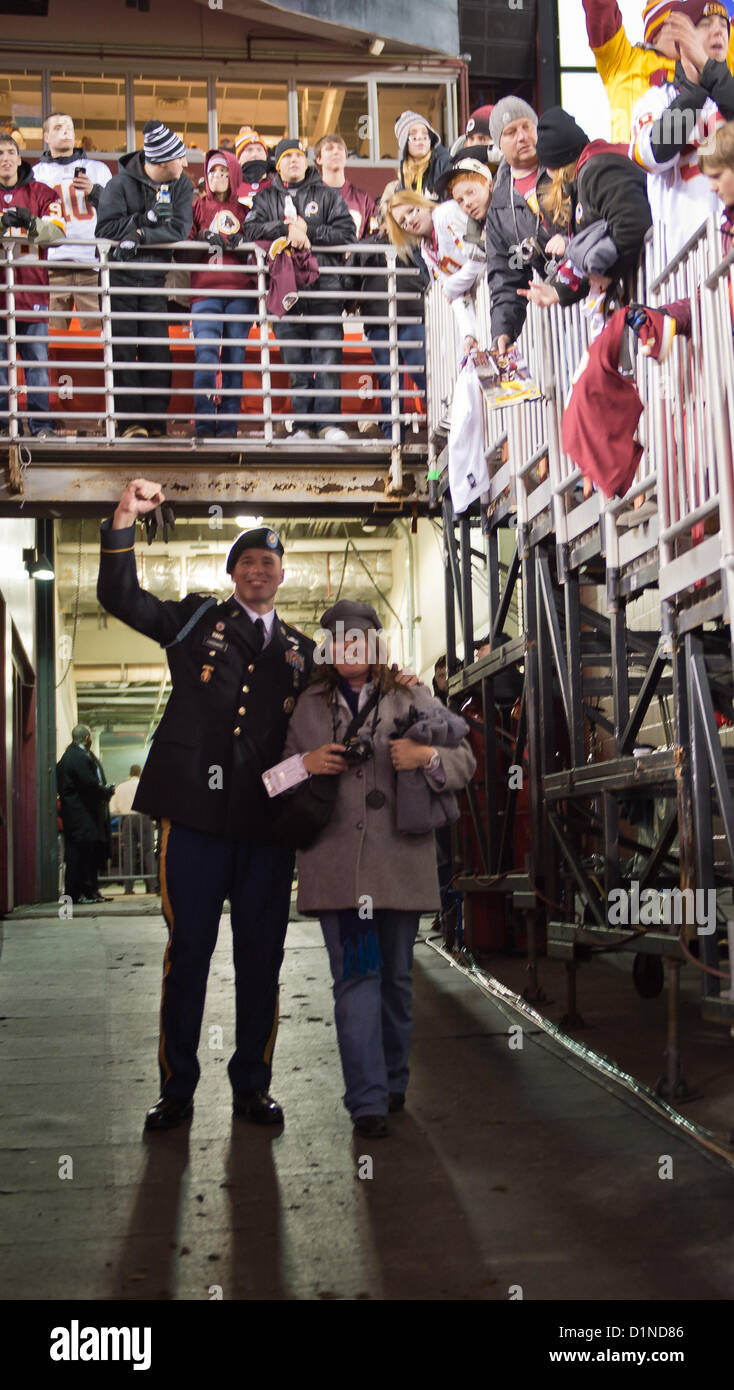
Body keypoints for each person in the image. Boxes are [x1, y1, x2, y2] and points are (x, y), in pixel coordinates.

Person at [96, 478, 316, 1132]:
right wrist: (123, 519)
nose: (258, 571)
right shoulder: (195, 621)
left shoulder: (303, 653)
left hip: (265, 830)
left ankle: (252, 1085)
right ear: (232, 572)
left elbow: (334, 717)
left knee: (261, 956)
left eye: (268, 562)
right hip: (193, 820)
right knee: (188, 952)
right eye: (247, 562)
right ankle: (178, 1090)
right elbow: (121, 596)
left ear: (281, 574)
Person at [272, 600, 475, 1136]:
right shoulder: (307, 707)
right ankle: (366, 1101)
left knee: (398, 981)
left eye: (358, 640)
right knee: (356, 980)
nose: (348, 650)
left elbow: (465, 762)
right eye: (337, 642)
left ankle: (393, 1081)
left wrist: (426, 758)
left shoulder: (412, 697)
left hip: (400, 867)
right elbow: (271, 782)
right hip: (339, 872)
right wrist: (306, 764)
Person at [243, 137, 355, 442]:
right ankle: (304, 426)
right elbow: (249, 230)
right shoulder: (265, 199)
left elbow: (347, 233)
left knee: (329, 360)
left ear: (307, 162)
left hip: (325, 289)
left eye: (298, 156)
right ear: (278, 165)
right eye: (287, 157)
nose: (294, 161)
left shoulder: (328, 196)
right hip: (285, 292)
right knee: (297, 364)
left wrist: (309, 232)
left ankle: (330, 424)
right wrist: (285, 230)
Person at [95, 119, 193, 439]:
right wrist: (142, 221)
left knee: (156, 353)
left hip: (153, 280)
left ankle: (154, 421)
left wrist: (138, 233)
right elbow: (106, 230)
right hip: (118, 282)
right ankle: (129, 424)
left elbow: (179, 230)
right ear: (163, 161)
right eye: (180, 157)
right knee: (122, 352)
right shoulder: (117, 186)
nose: (186, 162)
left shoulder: (182, 184)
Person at [518, 106, 652, 315]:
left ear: (554, 167)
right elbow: (593, 244)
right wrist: (558, 289)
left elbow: (631, 225)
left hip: (653, 280)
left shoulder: (598, 170)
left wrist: (607, 273)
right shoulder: (590, 169)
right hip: (645, 284)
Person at [630, 1, 734, 267]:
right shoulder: (655, 100)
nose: (718, 32)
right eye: (705, 24)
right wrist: (695, 92)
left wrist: (711, 74)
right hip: (683, 271)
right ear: (680, 39)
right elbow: (654, 153)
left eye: (723, 25)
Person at [384, 156, 492, 359]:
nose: (410, 220)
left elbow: (480, 256)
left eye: (412, 211)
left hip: (494, 290)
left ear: (423, 203)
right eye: (403, 222)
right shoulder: (426, 250)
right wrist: (469, 333)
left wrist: (453, 284)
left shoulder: (445, 213)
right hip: (481, 309)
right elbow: (456, 297)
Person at [582, 0, 734, 143]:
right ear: (655, 37)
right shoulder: (624, 61)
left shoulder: (717, 60)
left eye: (690, 27)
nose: (685, 34)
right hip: (633, 165)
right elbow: (600, 10)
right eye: (675, 26)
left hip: (709, 165)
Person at [0, 133, 66, 438]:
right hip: (2, 294)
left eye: (10, 151)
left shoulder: (41, 192)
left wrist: (30, 222)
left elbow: (56, 233)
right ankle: (3, 425)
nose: (6, 158)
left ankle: (41, 425)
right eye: (0, 153)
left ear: (18, 156)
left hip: (32, 291)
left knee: (37, 363)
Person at [189, 148, 257, 438]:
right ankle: (204, 424)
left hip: (239, 294)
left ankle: (228, 426)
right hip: (205, 293)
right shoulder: (196, 207)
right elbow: (183, 244)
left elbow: (257, 251)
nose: (217, 177)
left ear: (234, 176)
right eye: (213, 172)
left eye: (224, 172)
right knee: (205, 356)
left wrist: (244, 243)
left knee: (234, 360)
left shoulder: (245, 212)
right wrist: (203, 238)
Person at [484, 97, 561, 354]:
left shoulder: (562, 165)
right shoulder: (499, 205)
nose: (522, 137)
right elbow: (507, 276)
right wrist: (503, 331)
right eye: (510, 132)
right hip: (559, 309)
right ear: (499, 143)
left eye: (527, 127)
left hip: (598, 282)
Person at [32, 111, 112, 333]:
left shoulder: (98, 169)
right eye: (57, 127)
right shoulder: (36, 174)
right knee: (52, 335)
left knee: (96, 334)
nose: (65, 131)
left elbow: (115, 211)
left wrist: (94, 191)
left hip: (90, 263)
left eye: (68, 126)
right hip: (53, 264)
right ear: (46, 136)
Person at [56, 725, 114, 904]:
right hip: (81, 815)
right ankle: (77, 894)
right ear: (87, 737)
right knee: (78, 856)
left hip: (76, 815)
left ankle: (87, 892)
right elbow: (89, 784)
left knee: (82, 854)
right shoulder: (78, 757)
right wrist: (105, 791)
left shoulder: (69, 757)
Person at [314, 133, 377, 240]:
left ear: (346, 157)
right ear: (318, 159)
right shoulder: (309, 197)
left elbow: (373, 237)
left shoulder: (363, 199)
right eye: (329, 148)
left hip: (353, 255)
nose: (336, 152)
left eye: (340, 148)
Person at [109, 764, 157, 895]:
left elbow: (113, 808)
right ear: (140, 773)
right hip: (144, 818)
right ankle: (152, 885)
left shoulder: (121, 787)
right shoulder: (146, 785)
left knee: (128, 852)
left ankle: (128, 888)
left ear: (130, 774)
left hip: (127, 819)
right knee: (148, 851)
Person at [394, 110, 451, 198]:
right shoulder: (404, 180)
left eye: (425, 134)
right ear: (405, 145)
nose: (420, 138)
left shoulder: (444, 164)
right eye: (413, 136)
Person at [234, 127, 272, 213]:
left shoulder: (277, 186)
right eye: (249, 150)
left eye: (259, 149)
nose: (255, 154)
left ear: (266, 157)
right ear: (238, 159)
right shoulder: (231, 188)